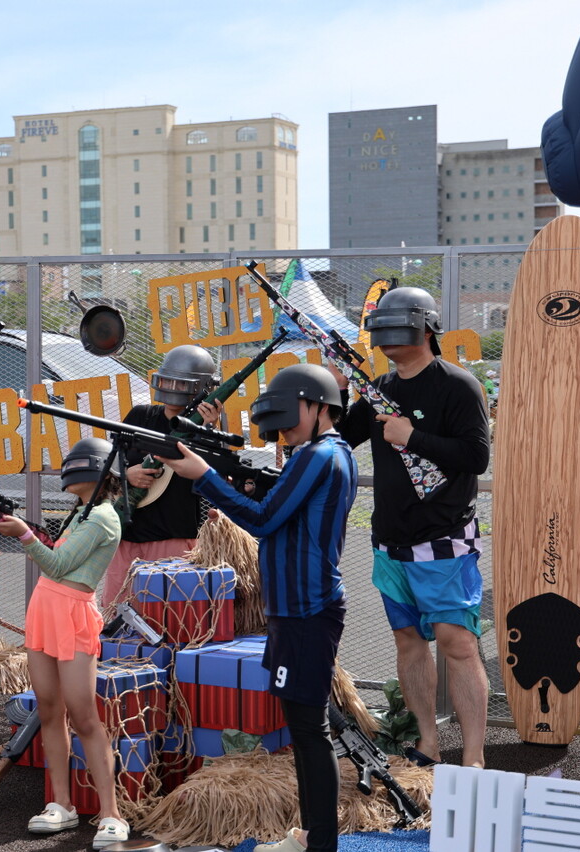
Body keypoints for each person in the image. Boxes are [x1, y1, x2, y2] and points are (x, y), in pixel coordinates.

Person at [157, 363, 356, 852]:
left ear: (318, 406)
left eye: (291, 421)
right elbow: (283, 511)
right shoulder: (321, 452)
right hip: (297, 608)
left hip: (307, 609)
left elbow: (264, 522)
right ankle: (311, 837)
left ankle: (320, 842)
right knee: (305, 726)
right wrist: (244, 481)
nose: (284, 433)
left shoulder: (319, 454)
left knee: (310, 731)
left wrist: (205, 477)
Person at [337, 286, 491, 769]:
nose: (384, 337)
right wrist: (339, 391)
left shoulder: (458, 385)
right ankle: (428, 740)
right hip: (390, 542)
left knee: (458, 644)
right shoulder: (381, 390)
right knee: (408, 641)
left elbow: (476, 456)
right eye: (378, 329)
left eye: (393, 326)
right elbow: (340, 437)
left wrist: (413, 437)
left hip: (445, 541)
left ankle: (473, 756)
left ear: (426, 329)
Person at [0, 437, 129, 849]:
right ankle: (62, 805)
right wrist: (25, 530)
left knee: (85, 716)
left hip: (71, 613)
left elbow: (60, 564)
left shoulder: (103, 517)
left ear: (92, 472)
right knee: (49, 710)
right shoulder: (82, 514)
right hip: (45, 609)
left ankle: (111, 814)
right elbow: (55, 556)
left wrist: (23, 535)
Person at [99, 344, 221, 609]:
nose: (172, 389)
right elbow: (110, 461)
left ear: (201, 389)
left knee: (171, 617)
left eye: (181, 384)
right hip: (128, 536)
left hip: (175, 539)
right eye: (167, 381)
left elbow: (215, 480)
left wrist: (211, 430)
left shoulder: (208, 431)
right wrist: (126, 474)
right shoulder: (141, 416)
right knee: (116, 614)